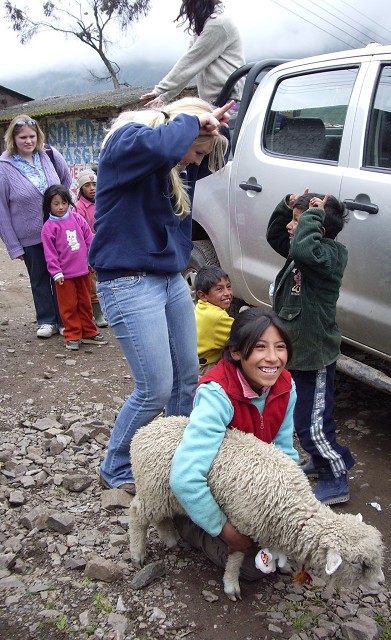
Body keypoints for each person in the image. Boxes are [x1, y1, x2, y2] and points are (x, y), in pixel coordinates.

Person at [88, 96, 231, 494]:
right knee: (155, 388)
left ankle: (177, 456)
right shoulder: (128, 143)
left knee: (187, 377)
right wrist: (193, 121)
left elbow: (218, 154)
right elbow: (165, 145)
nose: (196, 163)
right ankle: (116, 467)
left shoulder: (177, 162)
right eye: (196, 152)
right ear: (178, 125)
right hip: (128, 282)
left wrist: (214, 127)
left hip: (169, 280)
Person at [170, 307, 298, 577]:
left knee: (286, 544)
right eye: (260, 347)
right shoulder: (217, 395)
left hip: (249, 490)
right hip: (219, 489)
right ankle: (188, 525)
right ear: (236, 351)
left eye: (280, 347)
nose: (273, 358)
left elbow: (285, 453)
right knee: (253, 568)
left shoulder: (285, 386)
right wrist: (224, 529)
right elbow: (186, 476)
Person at [266, 189, 355, 506]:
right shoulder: (303, 250)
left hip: (314, 355)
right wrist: (286, 205)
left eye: (297, 222)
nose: (291, 227)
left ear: (318, 230)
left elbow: (303, 250)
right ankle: (321, 461)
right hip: (299, 354)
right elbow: (276, 236)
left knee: (313, 423)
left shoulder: (328, 256)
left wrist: (313, 216)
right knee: (302, 418)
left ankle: (335, 476)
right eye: (292, 220)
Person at [0, 115, 71, 339]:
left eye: (32, 136)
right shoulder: (4, 166)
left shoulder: (49, 154)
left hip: (58, 229)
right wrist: (14, 246)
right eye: (23, 137)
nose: (28, 141)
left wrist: (62, 209)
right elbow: (1, 209)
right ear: (13, 138)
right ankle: (47, 320)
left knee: (62, 276)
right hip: (29, 235)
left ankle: (65, 320)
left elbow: (65, 184)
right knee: (39, 277)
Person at [41, 184, 108, 351]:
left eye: (63, 202)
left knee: (85, 303)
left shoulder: (77, 219)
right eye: (56, 203)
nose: (61, 207)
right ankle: (72, 335)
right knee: (68, 306)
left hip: (83, 271)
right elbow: (50, 254)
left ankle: (89, 333)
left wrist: (92, 260)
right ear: (48, 205)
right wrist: (56, 272)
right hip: (64, 276)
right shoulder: (48, 227)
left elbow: (88, 239)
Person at [140, 0, 245, 107]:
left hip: (229, 99)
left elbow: (190, 62)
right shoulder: (205, 25)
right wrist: (165, 96)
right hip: (215, 100)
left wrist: (160, 89)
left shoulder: (218, 24)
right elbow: (189, 68)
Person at [72, 168, 108, 328]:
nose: (92, 188)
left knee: (106, 280)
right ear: (81, 188)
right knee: (92, 284)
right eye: (87, 185)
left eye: (94, 184)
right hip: (90, 251)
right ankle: (97, 314)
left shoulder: (104, 201)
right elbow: (80, 233)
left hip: (106, 249)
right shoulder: (78, 207)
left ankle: (108, 310)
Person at [194, 265, 234, 375]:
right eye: (219, 289)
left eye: (229, 287)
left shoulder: (201, 306)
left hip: (194, 362)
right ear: (202, 295)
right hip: (204, 368)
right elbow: (243, 335)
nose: (227, 293)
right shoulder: (217, 317)